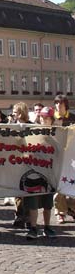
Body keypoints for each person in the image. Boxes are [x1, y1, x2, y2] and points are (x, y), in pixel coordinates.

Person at [52, 95, 75, 224]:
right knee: (59, 184)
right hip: (57, 155)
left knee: (72, 181)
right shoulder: (51, 117)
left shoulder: (72, 117)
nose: (58, 106)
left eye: (60, 104)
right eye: (56, 103)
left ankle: (71, 208)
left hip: (71, 156)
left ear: (65, 105)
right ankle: (60, 212)